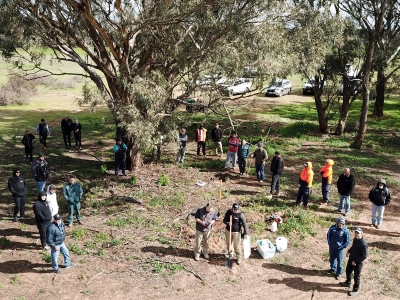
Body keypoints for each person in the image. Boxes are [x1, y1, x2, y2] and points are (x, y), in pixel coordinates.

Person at [340, 228, 368, 296]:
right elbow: (353, 247)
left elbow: (364, 256)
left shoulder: (363, 244)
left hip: (357, 263)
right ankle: (348, 282)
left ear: (361, 234)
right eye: (356, 233)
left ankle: (355, 290)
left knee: (356, 277)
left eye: (358, 233)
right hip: (351, 259)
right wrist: (349, 251)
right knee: (348, 271)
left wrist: (356, 261)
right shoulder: (355, 239)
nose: (357, 234)